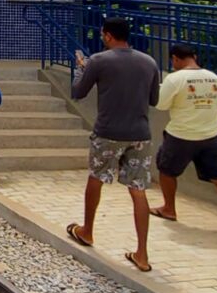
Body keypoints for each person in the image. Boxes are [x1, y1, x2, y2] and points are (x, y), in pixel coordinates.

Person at [65, 17, 160, 272]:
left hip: (108, 132)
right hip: (140, 134)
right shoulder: (149, 62)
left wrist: (80, 69)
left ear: (107, 35)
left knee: (96, 178)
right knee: (138, 190)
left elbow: (78, 91)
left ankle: (87, 230)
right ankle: (142, 253)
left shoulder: (98, 60)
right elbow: (154, 99)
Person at [152, 44, 217, 240]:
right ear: (194, 56)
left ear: (175, 58)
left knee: (166, 171)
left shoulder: (174, 79)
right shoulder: (214, 78)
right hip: (211, 135)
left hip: (181, 135)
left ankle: (169, 208)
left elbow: (161, 104)